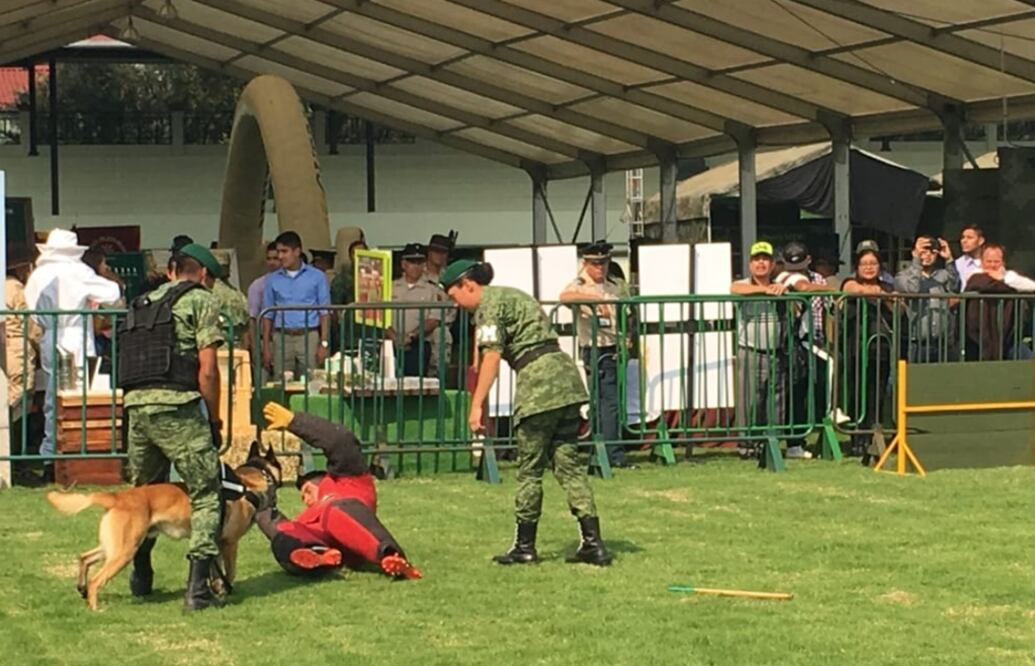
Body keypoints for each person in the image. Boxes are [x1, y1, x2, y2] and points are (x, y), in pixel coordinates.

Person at [439, 259, 612, 566]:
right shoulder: (513, 295)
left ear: (469, 285)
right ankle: (593, 543)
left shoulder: (489, 306)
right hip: (566, 380)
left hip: (538, 385)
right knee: (570, 466)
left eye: (455, 296)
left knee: (530, 470)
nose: (456, 304)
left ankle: (524, 546)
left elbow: (492, 358)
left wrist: (476, 404)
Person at [117, 243, 225, 611]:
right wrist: (214, 419)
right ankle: (198, 590)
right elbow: (207, 370)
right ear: (204, 275)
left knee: (142, 493)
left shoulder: (142, 302)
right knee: (206, 493)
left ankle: (141, 572)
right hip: (177, 407)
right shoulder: (201, 300)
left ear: (170, 271)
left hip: (136, 409)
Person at [254, 402, 421, 580]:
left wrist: (295, 421)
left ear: (322, 480)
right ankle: (316, 556)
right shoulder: (307, 517)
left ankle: (389, 554)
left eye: (308, 491)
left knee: (333, 511)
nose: (306, 500)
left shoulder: (351, 482)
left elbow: (341, 442)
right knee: (282, 530)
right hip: (325, 545)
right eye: (303, 498)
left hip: (354, 528)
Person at [24, 229, 121, 480]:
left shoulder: (38, 275)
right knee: (82, 393)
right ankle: (80, 451)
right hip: (77, 338)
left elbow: (31, 307)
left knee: (53, 397)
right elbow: (113, 293)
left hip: (50, 337)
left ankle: (51, 455)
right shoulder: (79, 271)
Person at [559, 241, 631, 467]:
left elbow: (626, 313)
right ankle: (612, 454)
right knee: (607, 402)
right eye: (596, 263)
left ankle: (602, 450)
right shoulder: (580, 285)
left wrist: (627, 336)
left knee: (607, 402)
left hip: (614, 346)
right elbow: (565, 296)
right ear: (586, 264)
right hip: (595, 347)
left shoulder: (615, 285)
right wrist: (594, 300)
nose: (601, 268)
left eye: (604, 263)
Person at [773, 242, 836, 459]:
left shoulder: (818, 278)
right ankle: (795, 442)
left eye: (799, 264)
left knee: (818, 383)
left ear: (808, 260)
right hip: (793, 343)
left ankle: (823, 423)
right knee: (796, 393)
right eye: (791, 264)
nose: (795, 269)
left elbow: (827, 309)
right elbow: (803, 288)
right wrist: (833, 288)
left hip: (815, 340)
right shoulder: (785, 277)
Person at [840, 248, 900, 458]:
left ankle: (875, 436)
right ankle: (858, 438)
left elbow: (899, 308)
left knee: (878, 393)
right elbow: (854, 290)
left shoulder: (888, 286)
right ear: (857, 267)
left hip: (880, 348)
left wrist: (888, 297)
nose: (869, 267)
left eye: (873, 263)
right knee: (857, 392)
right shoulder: (849, 282)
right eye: (864, 263)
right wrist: (879, 294)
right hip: (855, 347)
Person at [730, 242, 789, 451]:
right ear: (749, 264)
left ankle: (772, 443)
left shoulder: (780, 284)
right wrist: (765, 290)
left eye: (765, 259)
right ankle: (746, 444)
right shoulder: (743, 283)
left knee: (776, 400)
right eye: (756, 259)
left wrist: (783, 289)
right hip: (750, 351)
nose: (761, 263)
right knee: (750, 401)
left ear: (772, 264)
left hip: (776, 351)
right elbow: (734, 289)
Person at [262, 231, 331, 379]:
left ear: (297, 251)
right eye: (278, 252)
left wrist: (323, 343)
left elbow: (324, 313)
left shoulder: (317, 277)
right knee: (281, 382)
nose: (280, 256)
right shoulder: (272, 279)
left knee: (313, 381)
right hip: (281, 337)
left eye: (284, 251)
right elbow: (267, 315)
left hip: (309, 335)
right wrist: (266, 347)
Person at [963, 243, 1035, 361]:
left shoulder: (1009, 276)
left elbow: (1030, 285)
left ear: (1003, 262)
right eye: (989, 261)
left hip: (1006, 334)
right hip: (979, 335)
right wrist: (999, 280)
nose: (992, 265)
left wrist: (1002, 278)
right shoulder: (975, 275)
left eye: (996, 261)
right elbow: (976, 282)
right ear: (982, 262)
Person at [894, 235, 960, 362]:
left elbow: (955, 287)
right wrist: (917, 261)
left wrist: (949, 259)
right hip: (918, 343)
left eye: (932, 252)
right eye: (923, 251)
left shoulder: (943, 274)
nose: (927, 255)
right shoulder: (902, 276)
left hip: (943, 343)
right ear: (914, 252)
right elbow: (913, 290)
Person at [389, 243, 445, 377]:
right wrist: (394, 337)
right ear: (403, 264)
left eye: (419, 262)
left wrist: (411, 336)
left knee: (416, 384)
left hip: (418, 345)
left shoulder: (432, 290)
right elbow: (379, 316)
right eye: (412, 262)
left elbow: (433, 320)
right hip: (391, 343)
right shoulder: (390, 287)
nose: (416, 266)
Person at [425, 232, 457, 377]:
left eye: (443, 252)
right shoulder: (419, 273)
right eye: (436, 251)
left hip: (441, 328)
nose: (439, 255)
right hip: (418, 326)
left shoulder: (450, 276)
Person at [211, 250, 251, 350]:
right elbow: (246, 328)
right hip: (236, 348)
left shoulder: (206, 293)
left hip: (214, 348)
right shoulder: (238, 295)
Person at [954, 224, 986, 291]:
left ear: (981, 241)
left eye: (970, 237)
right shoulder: (958, 263)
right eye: (962, 237)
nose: (964, 241)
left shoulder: (989, 262)